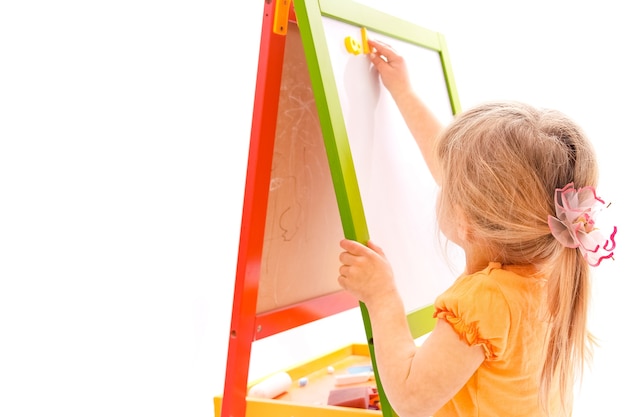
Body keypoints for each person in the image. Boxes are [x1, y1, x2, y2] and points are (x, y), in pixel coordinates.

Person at [337, 39, 617, 417]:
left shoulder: (484, 302)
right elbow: (464, 178)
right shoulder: (554, 264)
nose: (443, 184)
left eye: (449, 187)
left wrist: (382, 297)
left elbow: (411, 399)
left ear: (468, 220)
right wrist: (404, 93)